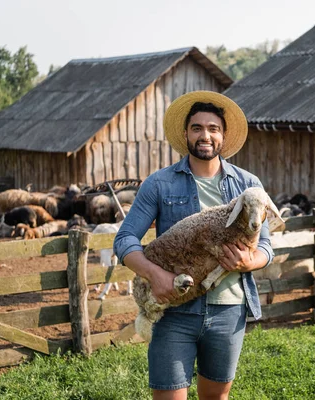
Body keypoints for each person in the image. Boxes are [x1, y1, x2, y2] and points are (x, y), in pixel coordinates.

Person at [113, 91, 274, 400]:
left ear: (223, 136)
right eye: (197, 128)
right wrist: (154, 275)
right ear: (186, 134)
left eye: (213, 128)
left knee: (216, 397)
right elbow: (125, 239)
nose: (205, 135)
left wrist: (248, 263)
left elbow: (266, 244)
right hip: (175, 310)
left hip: (229, 310)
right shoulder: (160, 183)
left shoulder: (248, 185)